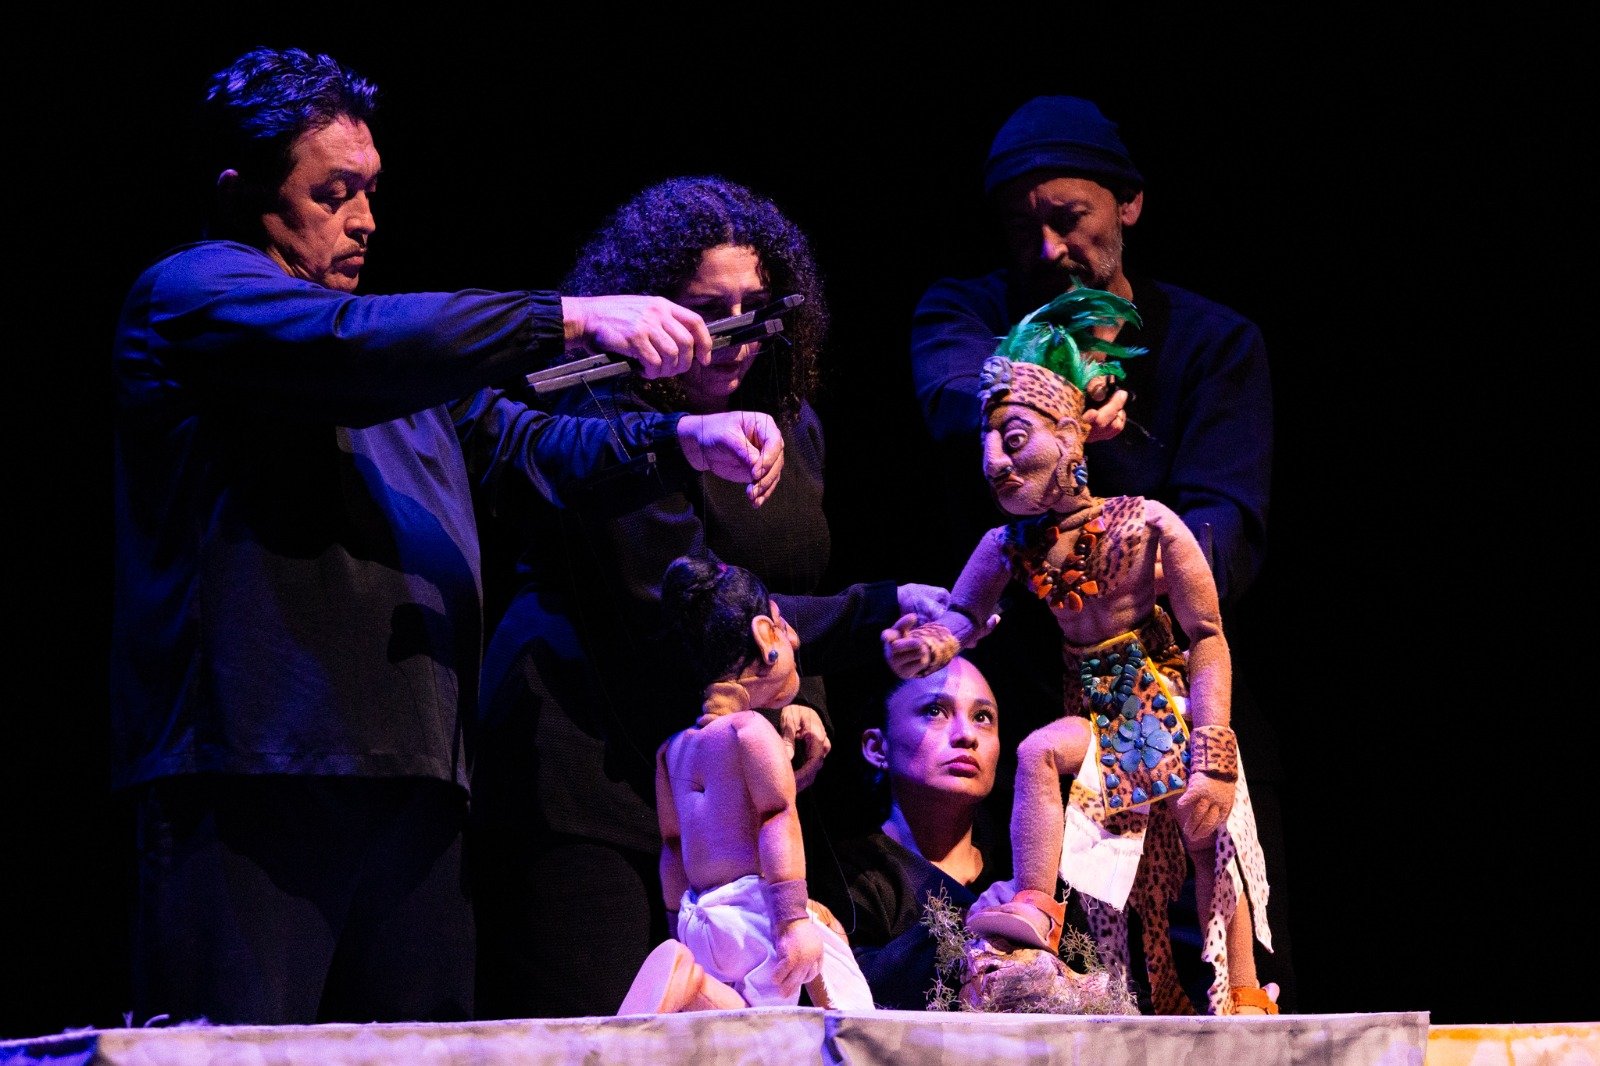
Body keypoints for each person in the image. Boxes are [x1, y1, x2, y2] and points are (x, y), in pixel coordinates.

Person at [111, 47, 786, 1027]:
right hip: (254, 777)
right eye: (332, 193)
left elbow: (525, 444)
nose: (365, 220)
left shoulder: (387, 349)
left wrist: (681, 436)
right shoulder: (193, 296)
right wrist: (576, 317)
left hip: (417, 779)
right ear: (239, 189)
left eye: (371, 191)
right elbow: (359, 344)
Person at [469, 175, 943, 1018]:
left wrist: (806, 702)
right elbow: (703, 617)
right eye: (703, 308)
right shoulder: (600, 417)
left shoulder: (788, 425)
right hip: (593, 773)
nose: (732, 337)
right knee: (615, 1022)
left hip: (724, 801)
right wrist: (880, 608)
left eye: (755, 308)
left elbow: (785, 595)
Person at [906, 93, 1291, 1009]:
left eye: (1067, 218)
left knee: (1211, 929)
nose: (1046, 250)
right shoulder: (970, 313)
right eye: (1021, 227)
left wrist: (1122, 549)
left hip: (1180, 700)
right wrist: (1043, 408)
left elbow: (1226, 532)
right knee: (1070, 980)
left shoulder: (1211, 344)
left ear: (1129, 204)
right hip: (1052, 719)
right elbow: (955, 386)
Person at [618, 556, 875, 1014]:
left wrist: (679, 926)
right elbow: (778, 816)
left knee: (736, 1025)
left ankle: (690, 979)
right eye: (784, 625)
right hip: (756, 913)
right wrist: (794, 919)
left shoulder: (672, 750)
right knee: (843, 1010)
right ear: (765, 635)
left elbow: (673, 848)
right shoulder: (749, 731)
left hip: (701, 918)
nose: (795, 637)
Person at [821, 654, 1009, 1010]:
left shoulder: (1021, 876)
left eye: (983, 717)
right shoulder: (846, 879)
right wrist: (981, 922)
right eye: (936, 711)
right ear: (878, 747)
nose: (967, 735)